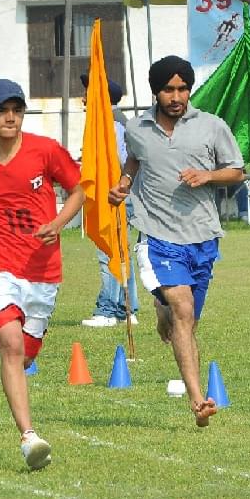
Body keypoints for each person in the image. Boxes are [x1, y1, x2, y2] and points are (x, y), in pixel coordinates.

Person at [0, 79, 83, 470]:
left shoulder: (46, 151)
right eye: (1, 110)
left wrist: (57, 222)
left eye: (17, 110)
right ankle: (29, 437)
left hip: (41, 269)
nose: (10, 117)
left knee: (24, 356)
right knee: (10, 343)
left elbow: (78, 191)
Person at [108, 55, 244, 427]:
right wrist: (123, 185)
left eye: (183, 88)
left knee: (186, 319)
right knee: (183, 308)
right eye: (169, 89)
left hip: (202, 236)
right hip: (157, 235)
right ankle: (198, 399)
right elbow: (134, 161)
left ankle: (162, 309)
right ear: (156, 91)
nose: (176, 96)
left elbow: (236, 171)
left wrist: (208, 176)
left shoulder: (212, 126)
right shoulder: (136, 129)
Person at [77, 73, 141, 329]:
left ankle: (107, 310)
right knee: (121, 252)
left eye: (87, 92)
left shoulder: (109, 126)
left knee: (109, 251)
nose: (83, 98)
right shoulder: (117, 122)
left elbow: (120, 162)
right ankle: (127, 309)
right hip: (122, 195)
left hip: (113, 195)